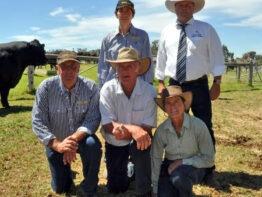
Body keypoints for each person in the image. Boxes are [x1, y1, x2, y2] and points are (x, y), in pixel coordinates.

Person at [155, 0, 225, 184]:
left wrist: (217, 82)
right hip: (175, 85)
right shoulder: (167, 31)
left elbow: (217, 55)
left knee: (204, 126)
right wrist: (161, 82)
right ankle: (173, 163)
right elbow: (162, 57)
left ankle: (208, 171)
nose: (184, 8)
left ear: (193, 7)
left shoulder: (206, 29)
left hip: (199, 85)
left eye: (188, 5)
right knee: (174, 125)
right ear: (175, 8)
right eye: (180, 5)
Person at [31, 51, 102, 197]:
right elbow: (38, 121)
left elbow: (93, 118)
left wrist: (72, 140)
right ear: (57, 69)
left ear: (79, 68)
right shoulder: (46, 87)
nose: (69, 71)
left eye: (73, 66)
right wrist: (57, 145)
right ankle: (66, 174)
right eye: (64, 67)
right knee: (60, 188)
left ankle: (89, 188)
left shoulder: (91, 87)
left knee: (92, 145)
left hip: (81, 138)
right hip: (56, 141)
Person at [99, 47, 157, 196]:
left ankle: (143, 188)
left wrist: (126, 130)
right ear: (116, 70)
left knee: (144, 143)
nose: (125, 70)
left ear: (138, 69)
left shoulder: (149, 92)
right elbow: (107, 126)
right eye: (121, 67)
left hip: (138, 141)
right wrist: (133, 129)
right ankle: (129, 169)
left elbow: (147, 128)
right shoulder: (107, 89)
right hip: (115, 141)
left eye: (129, 66)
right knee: (116, 187)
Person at [151, 86, 215, 197]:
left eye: (176, 101)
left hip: (194, 166)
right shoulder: (161, 131)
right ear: (165, 108)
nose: (173, 107)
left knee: (178, 178)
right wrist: (155, 189)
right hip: (169, 165)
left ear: (184, 104)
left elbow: (209, 160)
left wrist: (182, 162)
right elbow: (156, 159)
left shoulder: (198, 126)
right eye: (168, 103)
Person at [98, 0, 153, 88]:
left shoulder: (143, 36)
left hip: (136, 86)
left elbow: (148, 61)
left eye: (128, 11)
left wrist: (148, 85)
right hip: (113, 86)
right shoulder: (107, 39)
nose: (124, 14)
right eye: (121, 11)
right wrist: (102, 86)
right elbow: (103, 65)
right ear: (116, 14)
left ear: (132, 14)